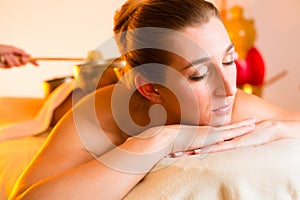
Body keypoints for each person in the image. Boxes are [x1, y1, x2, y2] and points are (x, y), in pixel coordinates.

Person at [9, 0, 300, 199]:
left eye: (228, 60)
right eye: (198, 74)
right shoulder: (98, 116)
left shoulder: (236, 107)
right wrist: (156, 141)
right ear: (150, 88)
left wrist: (276, 129)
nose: (228, 87)